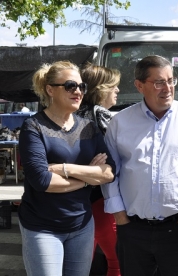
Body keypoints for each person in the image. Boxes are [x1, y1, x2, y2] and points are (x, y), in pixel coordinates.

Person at [101, 55, 178, 276]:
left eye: (171, 80)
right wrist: (119, 215)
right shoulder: (120, 122)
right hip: (134, 230)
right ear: (139, 86)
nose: (167, 88)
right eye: (159, 82)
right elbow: (111, 173)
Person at [18, 60, 116, 276]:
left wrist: (64, 168)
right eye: (71, 86)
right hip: (41, 227)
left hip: (82, 225)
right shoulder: (33, 127)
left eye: (82, 86)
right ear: (50, 89)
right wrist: (89, 177)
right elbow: (42, 182)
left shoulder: (88, 127)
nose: (78, 91)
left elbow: (109, 173)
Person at [76, 64, 121, 276]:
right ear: (101, 89)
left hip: (77, 199)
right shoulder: (102, 114)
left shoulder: (72, 114)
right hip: (103, 201)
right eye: (114, 86)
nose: (118, 91)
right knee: (116, 261)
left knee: (81, 265)